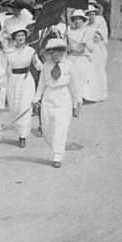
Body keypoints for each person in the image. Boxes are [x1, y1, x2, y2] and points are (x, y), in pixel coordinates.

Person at [32, 38, 82, 168]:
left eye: (60, 52)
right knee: (47, 129)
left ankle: (57, 155)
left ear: (63, 52)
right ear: (49, 53)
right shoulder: (46, 66)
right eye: (53, 53)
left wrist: (77, 102)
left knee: (61, 127)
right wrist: (36, 99)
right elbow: (41, 84)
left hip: (63, 96)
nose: (56, 56)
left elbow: (74, 85)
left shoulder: (69, 65)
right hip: (48, 96)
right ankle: (55, 147)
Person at [3, 28, 42, 148]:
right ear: (14, 38)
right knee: (14, 107)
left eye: (23, 36)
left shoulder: (31, 51)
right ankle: (19, 131)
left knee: (24, 106)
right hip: (13, 80)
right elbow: (5, 68)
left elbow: (39, 65)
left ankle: (23, 136)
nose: (20, 38)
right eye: (18, 36)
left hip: (26, 80)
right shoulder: (8, 52)